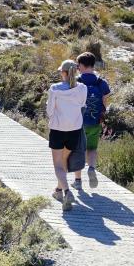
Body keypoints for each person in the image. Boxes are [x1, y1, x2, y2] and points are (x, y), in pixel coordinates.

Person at [47, 59, 87, 211]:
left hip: (58, 130)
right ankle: (58, 191)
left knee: (57, 165)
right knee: (64, 160)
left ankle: (66, 192)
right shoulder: (82, 88)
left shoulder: (55, 89)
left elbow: (50, 111)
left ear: (63, 73)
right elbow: (82, 105)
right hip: (74, 131)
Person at [73, 51, 111, 190]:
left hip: (78, 122)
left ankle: (78, 181)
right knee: (92, 148)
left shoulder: (76, 81)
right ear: (93, 65)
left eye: (78, 65)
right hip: (95, 121)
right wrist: (103, 117)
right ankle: (92, 168)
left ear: (82, 65)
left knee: (78, 150)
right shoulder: (101, 82)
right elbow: (105, 101)